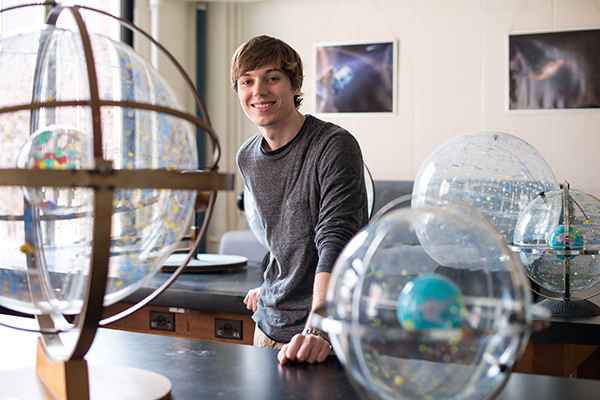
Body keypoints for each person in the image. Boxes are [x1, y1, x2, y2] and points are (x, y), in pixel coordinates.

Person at [231, 35, 368, 365]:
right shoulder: (247, 157)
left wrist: (319, 329)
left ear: (295, 85)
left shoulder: (334, 146)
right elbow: (281, 234)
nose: (259, 91)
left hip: (323, 335)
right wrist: (270, 283)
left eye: (272, 78)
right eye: (247, 81)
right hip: (266, 326)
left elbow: (335, 239)